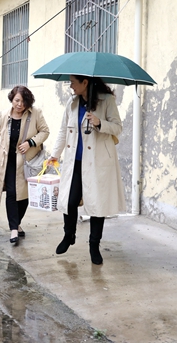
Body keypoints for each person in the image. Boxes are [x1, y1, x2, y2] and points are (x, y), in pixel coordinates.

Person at [48, 75, 125, 265]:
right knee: (69, 200)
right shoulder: (72, 103)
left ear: (85, 83)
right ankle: (69, 235)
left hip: (98, 162)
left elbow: (117, 127)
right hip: (75, 161)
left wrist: (100, 123)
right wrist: (54, 154)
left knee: (97, 204)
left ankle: (94, 245)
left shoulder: (106, 100)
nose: (70, 86)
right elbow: (63, 131)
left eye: (73, 82)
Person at [0, 86, 49, 244]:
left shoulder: (35, 113)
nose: (19, 104)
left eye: (23, 101)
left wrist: (31, 142)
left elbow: (45, 131)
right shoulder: (4, 115)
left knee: (24, 196)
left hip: (26, 162)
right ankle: (14, 229)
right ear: (12, 99)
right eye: (17, 100)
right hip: (8, 161)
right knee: (11, 193)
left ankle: (17, 223)